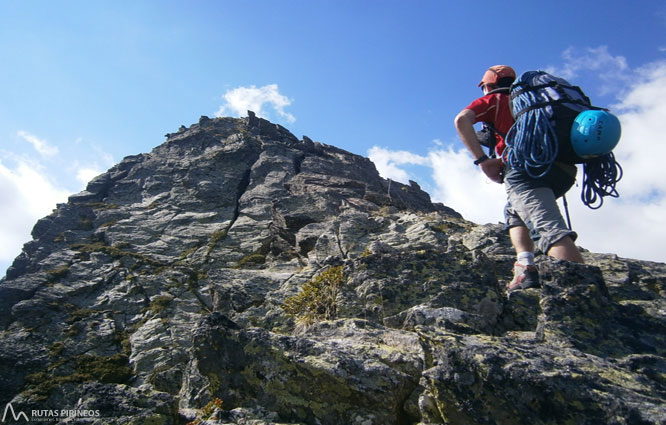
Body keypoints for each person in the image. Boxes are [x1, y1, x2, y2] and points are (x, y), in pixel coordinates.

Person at [454, 65, 584, 293]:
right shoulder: (535, 101)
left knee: (549, 230)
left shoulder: (494, 100)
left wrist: (483, 161)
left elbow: (461, 120)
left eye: (484, 87)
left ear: (489, 85)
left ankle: (583, 297)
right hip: (562, 168)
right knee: (514, 211)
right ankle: (526, 267)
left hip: (525, 170)